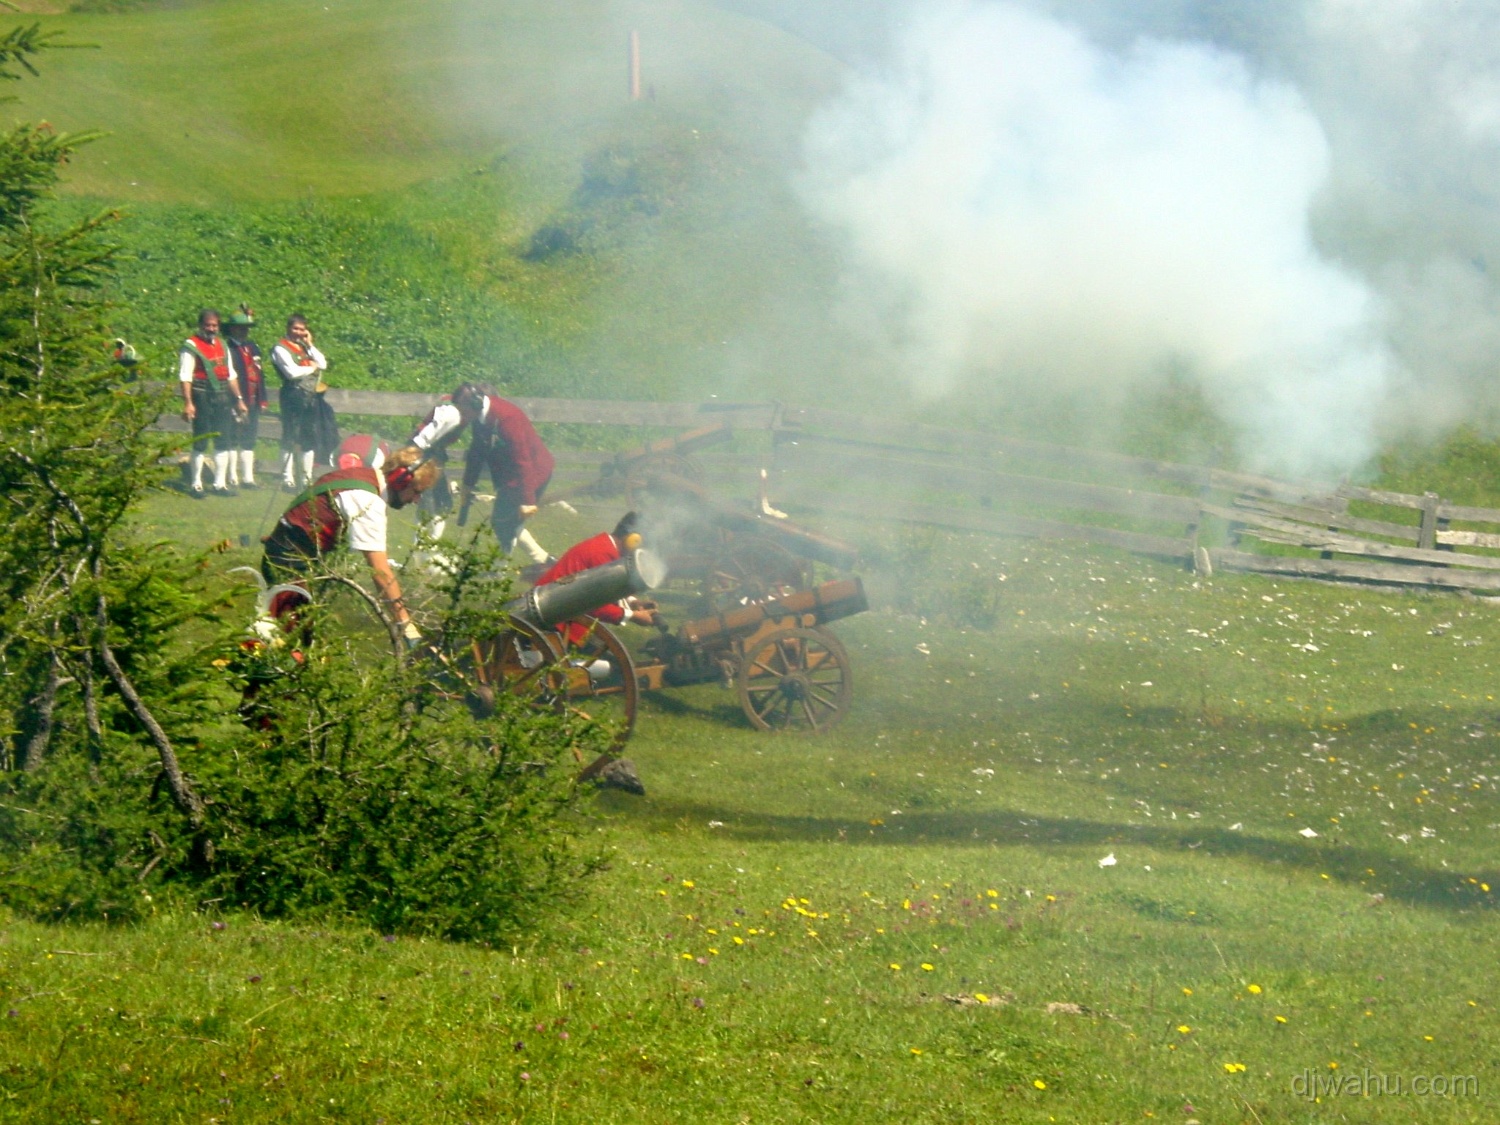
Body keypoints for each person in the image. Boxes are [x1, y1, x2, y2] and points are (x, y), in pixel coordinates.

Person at [259, 439, 440, 646]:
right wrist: (405, 624)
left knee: (296, 636)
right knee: (289, 643)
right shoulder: (367, 501)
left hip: (289, 552)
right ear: (400, 481)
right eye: (416, 492)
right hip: (289, 561)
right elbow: (381, 573)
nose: (415, 500)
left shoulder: (361, 477)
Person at [409, 382, 554, 564]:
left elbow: (523, 460)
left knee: (504, 522)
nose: (460, 415)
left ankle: (502, 571)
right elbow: (476, 453)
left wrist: (528, 500)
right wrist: (467, 486)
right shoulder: (480, 418)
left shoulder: (507, 419)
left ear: (476, 405)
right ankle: (542, 561)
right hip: (511, 476)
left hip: (532, 473)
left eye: (463, 410)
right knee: (505, 522)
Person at [534, 512, 657, 646]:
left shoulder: (605, 547)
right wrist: (633, 616)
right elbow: (595, 605)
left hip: (559, 612)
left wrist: (634, 602)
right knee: (612, 665)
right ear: (633, 540)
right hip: (557, 620)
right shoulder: (603, 556)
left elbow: (608, 590)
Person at [178, 308, 247, 497]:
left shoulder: (223, 345)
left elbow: (231, 375)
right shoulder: (191, 345)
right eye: (207, 325)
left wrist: (239, 400)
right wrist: (188, 403)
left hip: (223, 396)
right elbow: (185, 377)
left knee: (223, 440)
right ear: (201, 325)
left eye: (214, 325)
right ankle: (196, 484)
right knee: (201, 440)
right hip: (201, 395)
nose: (211, 328)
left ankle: (219, 483)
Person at [272, 314, 334, 489]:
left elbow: (323, 363)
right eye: (295, 329)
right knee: (290, 435)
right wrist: (310, 368)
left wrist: (310, 344)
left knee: (308, 436)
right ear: (288, 328)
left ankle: (306, 479)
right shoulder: (280, 348)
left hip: (310, 395)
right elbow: (291, 373)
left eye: (302, 329)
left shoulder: (304, 347)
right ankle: (287, 479)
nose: (298, 332)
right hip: (292, 395)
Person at [223, 305, 267, 489]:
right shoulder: (227, 347)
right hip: (235, 398)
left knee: (249, 438)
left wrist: (262, 398)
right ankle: (232, 475)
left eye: (247, 327)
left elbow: (259, 374)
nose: (245, 331)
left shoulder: (252, 347)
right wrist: (236, 399)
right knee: (233, 437)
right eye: (241, 327)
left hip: (253, 397)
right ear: (232, 328)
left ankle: (248, 478)